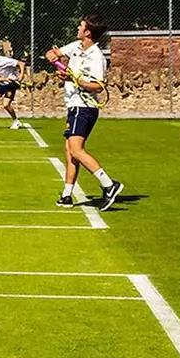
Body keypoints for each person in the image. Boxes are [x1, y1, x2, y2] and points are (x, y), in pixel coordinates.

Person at [45, 15, 124, 211]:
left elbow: (98, 86)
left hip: (84, 106)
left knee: (76, 150)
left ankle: (108, 184)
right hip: (74, 106)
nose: (78, 28)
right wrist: (56, 62)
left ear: (88, 32)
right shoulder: (77, 47)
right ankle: (66, 195)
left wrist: (76, 80)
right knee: (69, 151)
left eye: (81, 26)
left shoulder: (96, 56)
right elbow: (54, 53)